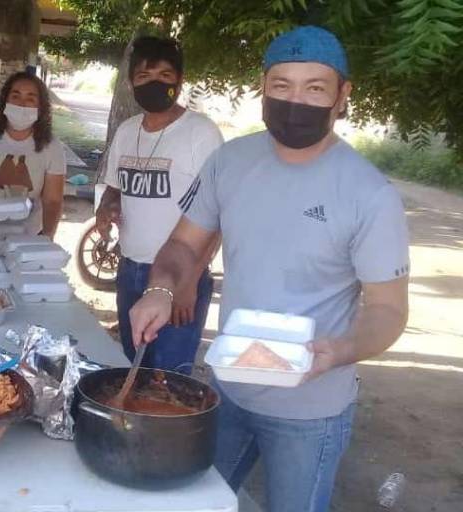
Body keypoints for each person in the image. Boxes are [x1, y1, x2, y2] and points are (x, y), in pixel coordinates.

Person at [129, 26, 410, 511]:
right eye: (281, 86)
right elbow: (182, 246)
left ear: (342, 96)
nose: (295, 100)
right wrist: (161, 289)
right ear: (263, 87)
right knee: (195, 503)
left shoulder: (369, 193)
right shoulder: (230, 161)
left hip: (311, 408)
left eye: (314, 88)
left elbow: (388, 309)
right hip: (228, 390)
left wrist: (341, 350)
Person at [94, 36, 224, 373]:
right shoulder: (126, 131)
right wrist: (105, 208)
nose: (154, 84)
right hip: (129, 270)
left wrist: (189, 282)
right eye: (144, 77)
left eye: (165, 77)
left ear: (179, 82)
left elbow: (218, 216)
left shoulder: (201, 133)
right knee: (131, 368)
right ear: (131, 83)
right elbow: (115, 188)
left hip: (180, 277)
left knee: (168, 378)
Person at [0, 71, 66, 238]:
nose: (22, 104)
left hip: (26, 237)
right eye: (16, 96)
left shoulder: (52, 146)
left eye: (30, 98)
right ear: (5, 101)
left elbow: (52, 201)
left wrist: (47, 237)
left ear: (41, 107)